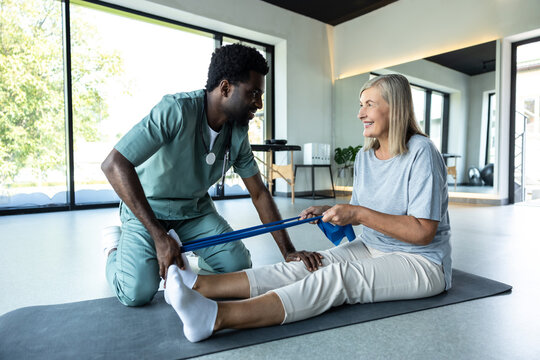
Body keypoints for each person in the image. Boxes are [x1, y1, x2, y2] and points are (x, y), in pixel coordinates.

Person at [162, 74, 452, 342]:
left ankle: (214, 318)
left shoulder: (422, 152)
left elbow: (423, 232)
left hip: (421, 262)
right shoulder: (366, 156)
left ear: (396, 108)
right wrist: (334, 210)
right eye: (360, 105)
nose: (360, 113)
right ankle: (198, 284)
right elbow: (364, 209)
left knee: (336, 279)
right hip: (373, 245)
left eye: (370, 105)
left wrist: (357, 213)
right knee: (307, 265)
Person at [101, 44, 322, 307]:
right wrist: (159, 237)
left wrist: (289, 251)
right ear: (226, 88)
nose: (260, 103)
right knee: (137, 292)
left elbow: (259, 193)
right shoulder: (176, 110)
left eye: (260, 95)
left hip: (194, 212)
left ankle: (188, 249)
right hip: (148, 209)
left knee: (237, 264)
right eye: (253, 93)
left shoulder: (237, 133)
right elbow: (114, 164)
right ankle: (114, 248)